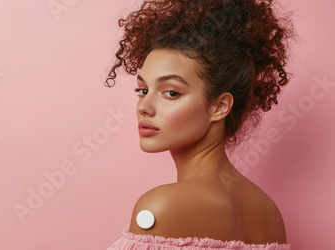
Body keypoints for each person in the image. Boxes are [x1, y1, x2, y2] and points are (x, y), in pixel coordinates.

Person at [105, 0, 295, 249]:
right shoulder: (269, 213)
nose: (144, 107)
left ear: (220, 107)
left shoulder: (161, 207)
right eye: (142, 90)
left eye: (171, 93)